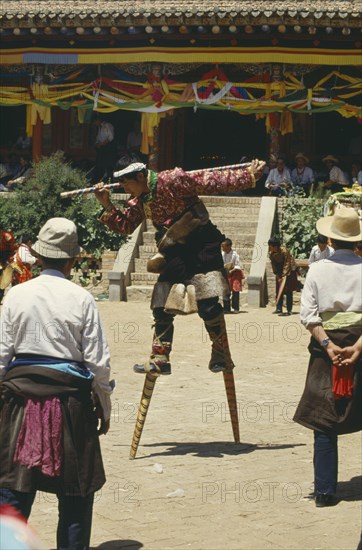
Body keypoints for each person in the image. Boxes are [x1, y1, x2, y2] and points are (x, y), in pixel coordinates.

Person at [0, 217, 114, 548]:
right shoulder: (82, 299)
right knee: (76, 494)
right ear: (72, 259)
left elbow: (2, 356)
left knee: (12, 492)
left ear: (38, 255)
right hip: (71, 405)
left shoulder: (16, 296)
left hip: (18, 403)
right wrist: (104, 408)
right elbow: (98, 364)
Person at [95, 156, 265, 376]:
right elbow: (126, 225)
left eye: (126, 183)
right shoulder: (140, 200)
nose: (126, 189)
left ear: (140, 176)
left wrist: (249, 175)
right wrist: (106, 203)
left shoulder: (172, 180)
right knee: (160, 301)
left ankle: (220, 353)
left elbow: (211, 181)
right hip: (174, 249)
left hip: (203, 243)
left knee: (208, 304)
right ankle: (160, 357)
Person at [293, 208, 362, 507]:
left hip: (326, 352)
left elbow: (308, 316)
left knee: (324, 423)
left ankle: (324, 492)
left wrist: (329, 346)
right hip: (360, 347)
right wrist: (357, 348)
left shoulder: (318, 269)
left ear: (331, 239)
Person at [268, 236, 298, 315]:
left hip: (288, 272)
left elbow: (287, 263)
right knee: (279, 290)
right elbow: (273, 265)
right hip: (279, 271)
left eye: (271, 246)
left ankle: (289, 309)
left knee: (288, 291)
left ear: (275, 246)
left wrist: (284, 275)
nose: (270, 248)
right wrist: (278, 276)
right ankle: (279, 308)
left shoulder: (284, 251)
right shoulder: (271, 253)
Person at [221, 238, 244, 313]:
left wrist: (231, 270)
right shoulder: (222, 254)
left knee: (235, 290)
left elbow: (238, 265)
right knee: (225, 291)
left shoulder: (235, 255)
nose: (222, 248)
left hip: (234, 274)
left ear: (228, 246)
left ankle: (236, 308)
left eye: (223, 246)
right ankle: (226, 308)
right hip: (226, 273)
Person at [93, 117, 116, 183]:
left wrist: (102, 144)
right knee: (100, 165)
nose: (95, 124)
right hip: (101, 148)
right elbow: (98, 138)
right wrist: (97, 144)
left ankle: (108, 181)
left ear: (98, 120)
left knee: (108, 166)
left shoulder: (107, 125)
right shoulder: (99, 127)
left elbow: (111, 137)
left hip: (108, 148)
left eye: (95, 122)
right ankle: (100, 181)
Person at [0, 229, 17, 304]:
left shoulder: (7, 235)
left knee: (3, 280)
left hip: (4, 260)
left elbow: (12, 248)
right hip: (4, 259)